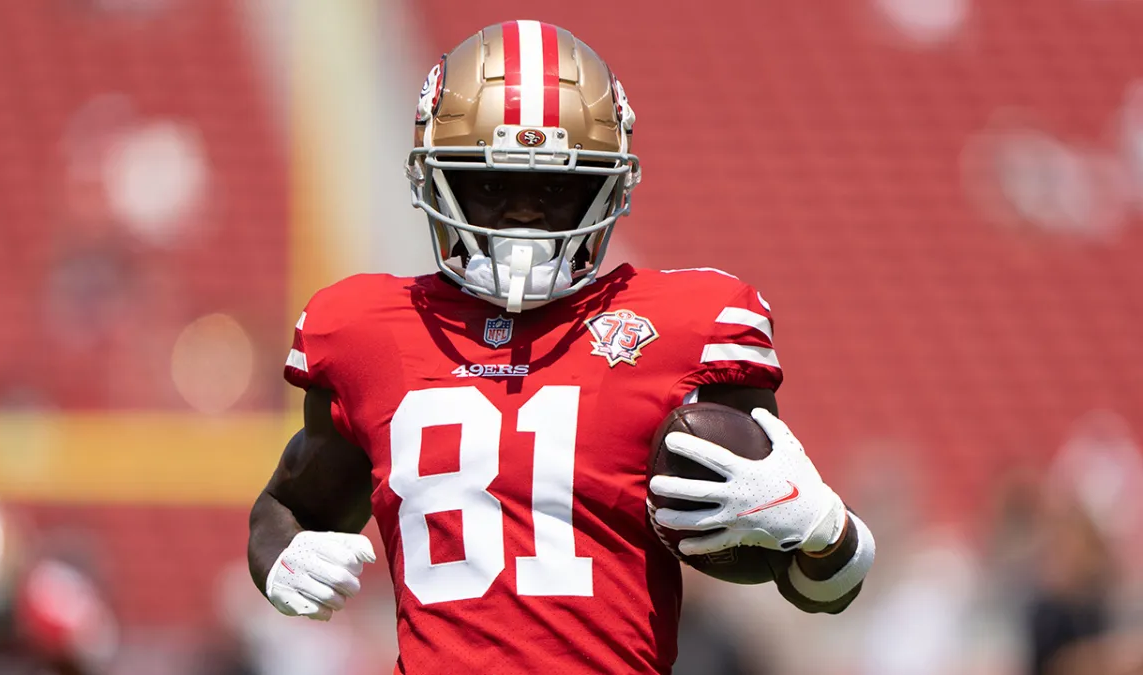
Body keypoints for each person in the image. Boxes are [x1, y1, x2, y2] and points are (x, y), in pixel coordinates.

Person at [247, 20, 875, 675]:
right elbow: (289, 506)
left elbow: (821, 583)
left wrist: (826, 529)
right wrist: (282, 559)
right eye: (491, 184)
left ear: (608, 185)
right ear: (438, 180)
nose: (523, 213)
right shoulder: (364, 330)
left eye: (553, 188)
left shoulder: (687, 327)